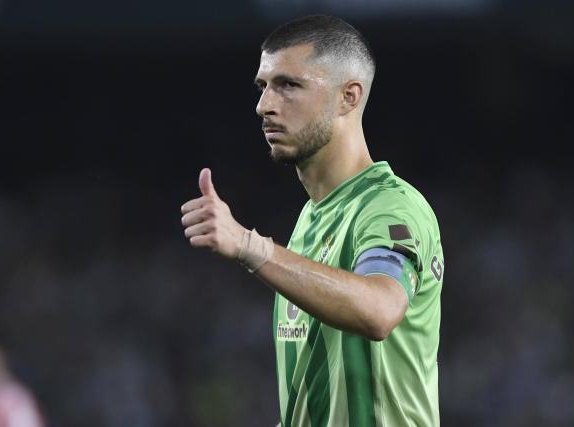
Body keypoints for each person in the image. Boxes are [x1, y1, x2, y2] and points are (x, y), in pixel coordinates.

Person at [180, 15, 444, 427]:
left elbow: (379, 308)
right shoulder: (311, 219)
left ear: (348, 97)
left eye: (289, 85)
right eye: (263, 86)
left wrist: (252, 247)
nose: (264, 105)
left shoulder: (389, 206)